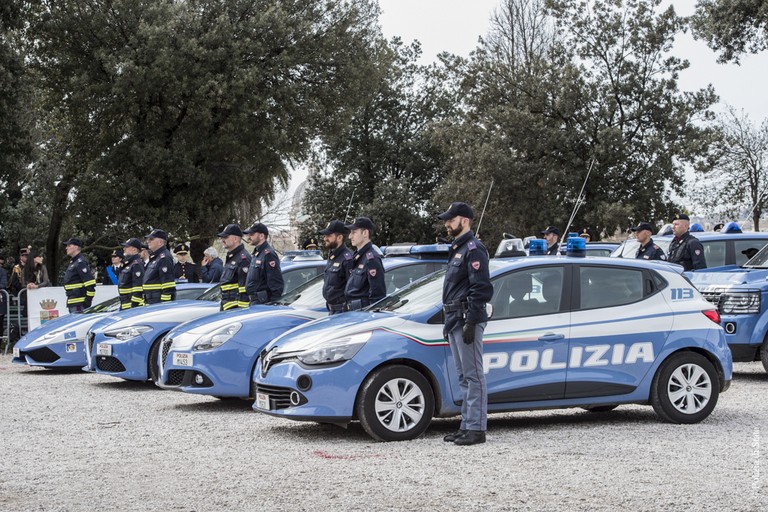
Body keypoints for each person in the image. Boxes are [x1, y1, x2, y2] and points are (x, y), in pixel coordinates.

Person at [438, 202, 493, 446]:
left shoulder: (474, 249)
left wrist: (471, 320)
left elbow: (480, 288)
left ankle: (477, 429)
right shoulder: (458, 248)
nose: (447, 223)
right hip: (454, 319)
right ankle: (466, 425)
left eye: (451, 219)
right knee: (463, 376)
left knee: (473, 376)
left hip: (466, 318)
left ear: (465, 221)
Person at [343, 217, 385, 310]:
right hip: (352, 311)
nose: (350, 236)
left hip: (362, 314)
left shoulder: (371, 259)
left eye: (354, 232)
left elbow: (377, 295)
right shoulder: (357, 256)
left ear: (365, 233)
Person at [242, 222, 284, 305]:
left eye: (252, 234)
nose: (248, 237)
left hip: (263, 302)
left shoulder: (268, 254)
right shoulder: (257, 254)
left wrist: (273, 304)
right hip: (254, 301)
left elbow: (275, 283)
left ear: (261, 236)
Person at [319, 220, 354, 314]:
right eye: (325, 236)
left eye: (329, 236)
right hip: (332, 310)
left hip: (343, 312)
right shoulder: (332, 256)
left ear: (339, 237)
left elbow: (352, 289)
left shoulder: (347, 258)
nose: (325, 238)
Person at [217, 224, 251, 311]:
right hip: (227, 307)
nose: (222, 240)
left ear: (235, 239)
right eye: (221, 237)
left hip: (234, 311)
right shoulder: (232, 257)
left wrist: (240, 312)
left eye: (225, 237)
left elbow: (244, 290)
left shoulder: (243, 259)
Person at [62, 238, 96, 313]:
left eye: (69, 245)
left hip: (79, 303)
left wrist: (88, 301)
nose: (66, 248)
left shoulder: (80, 263)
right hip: (73, 301)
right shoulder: (74, 262)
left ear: (76, 247)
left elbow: (90, 284)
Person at [142, 229, 176, 304]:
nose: (148, 241)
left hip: (157, 303)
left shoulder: (164, 257)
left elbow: (168, 285)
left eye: (151, 239)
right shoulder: (156, 257)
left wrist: (164, 305)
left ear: (160, 242)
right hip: (151, 301)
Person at [118, 238, 145, 310]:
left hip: (131, 307)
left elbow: (138, 288)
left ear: (134, 250)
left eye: (127, 247)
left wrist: (134, 306)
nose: (124, 249)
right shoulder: (129, 263)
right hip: (125, 304)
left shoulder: (136, 264)